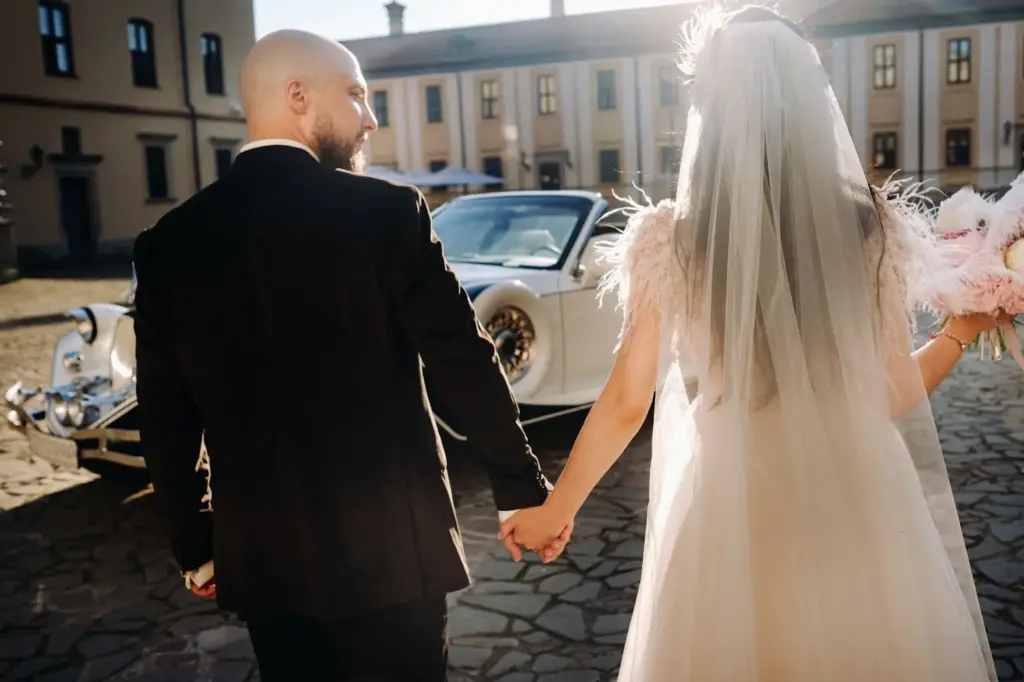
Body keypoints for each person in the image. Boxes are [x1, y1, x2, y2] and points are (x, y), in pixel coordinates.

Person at [500, 5, 1000, 681]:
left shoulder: (672, 239)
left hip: (732, 502)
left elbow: (626, 401)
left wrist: (556, 508)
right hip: (854, 496)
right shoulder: (868, 231)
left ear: (710, 109)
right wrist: (959, 333)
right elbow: (890, 393)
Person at [133, 30, 567, 682]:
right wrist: (520, 489)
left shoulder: (168, 243)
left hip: (265, 565)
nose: (370, 119)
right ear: (298, 97)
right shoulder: (386, 214)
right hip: (395, 555)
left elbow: (165, 414)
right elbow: (462, 360)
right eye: (356, 95)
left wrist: (195, 542)